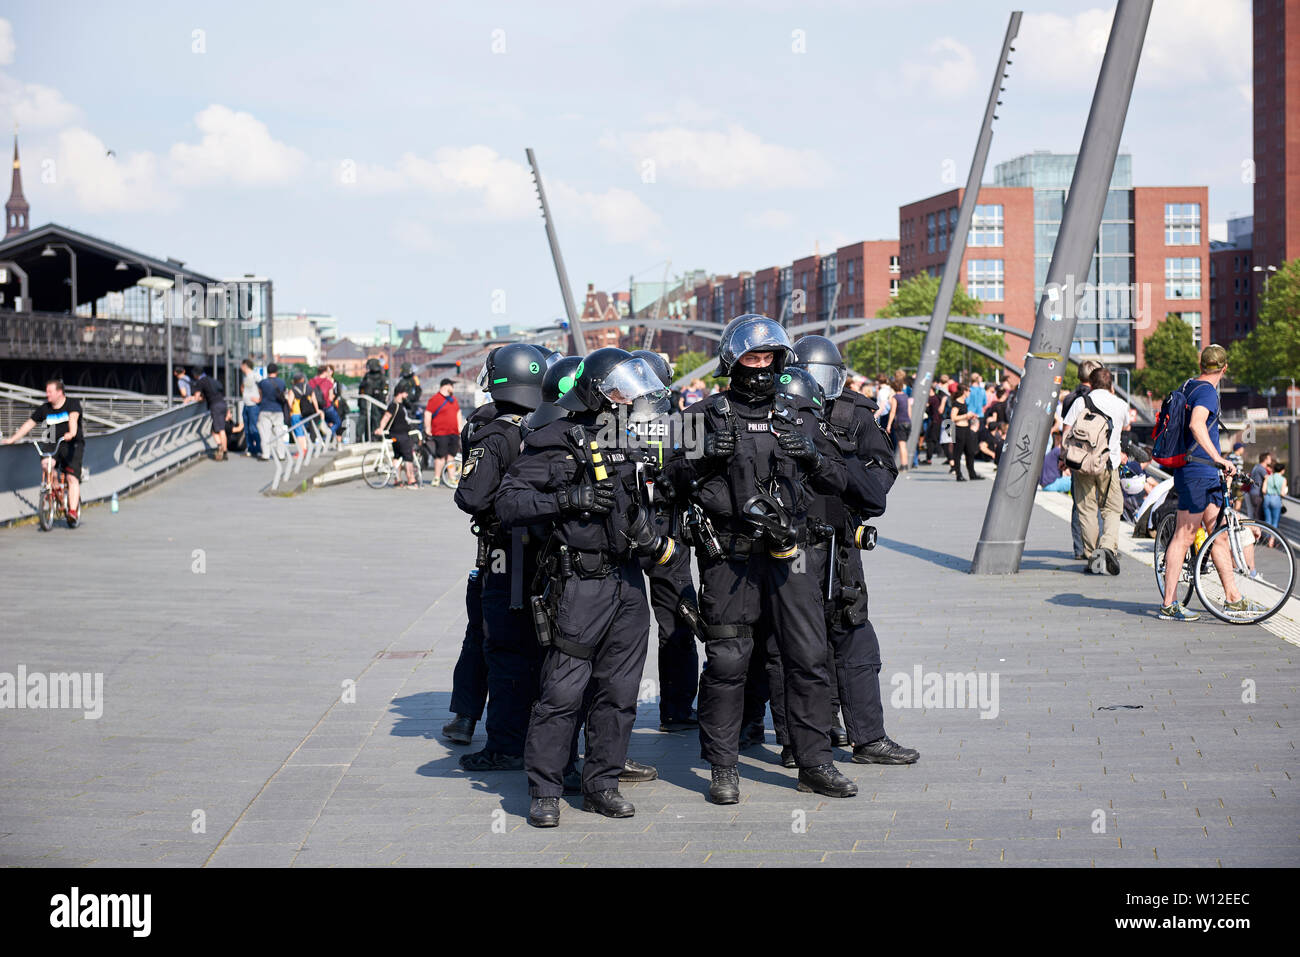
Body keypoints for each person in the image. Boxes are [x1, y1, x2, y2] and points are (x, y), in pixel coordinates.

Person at [667, 316, 855, 804]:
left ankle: (814, 762)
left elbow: (842, 481)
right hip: (729, 557)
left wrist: (812, 455)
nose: (761, 366)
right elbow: (666, 483)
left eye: (769, 357)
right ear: (733, 361)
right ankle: (723, 768)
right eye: (752, 356)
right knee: (728, 661)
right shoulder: (701, 415)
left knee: (809, 658)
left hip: (789, 555)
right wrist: (702, 456)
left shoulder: (798, 413)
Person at [496, 347, 665, 828]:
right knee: (563, 691)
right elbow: (508, 503)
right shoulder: (552, 438)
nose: (622, 399)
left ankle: (603, 785)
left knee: (620, 691)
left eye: (626, 392)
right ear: (592, 391)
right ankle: (546, 790)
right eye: (614, 390)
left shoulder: (629, 436)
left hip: (628, 581)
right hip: (579, 582)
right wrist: (568, 498)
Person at [790, 337, 919, 767]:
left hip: (841, 539)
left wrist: (859, 491)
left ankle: (867, 737)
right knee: (793, 644)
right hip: (791, 541)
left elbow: (882, 466)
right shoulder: (779, 408)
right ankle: (805, 738)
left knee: (854, 636)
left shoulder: (853, 412)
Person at [453, 344, 549, 772]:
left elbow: (471, 496)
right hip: (548, 554)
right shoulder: (550, 424)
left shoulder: (494, 431)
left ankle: (505, 744)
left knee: (503, 645)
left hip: (504, 555)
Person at [1160, 345, 1260, 620]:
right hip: (1198, 472)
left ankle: (1233, 598)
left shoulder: (1189, 385)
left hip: (1202, 472)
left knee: (1220, 534)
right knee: (1184, 535)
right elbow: (1196, 424)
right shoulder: (1206, 392)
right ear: (1225, 369)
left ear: (1201, 364)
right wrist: (1218, 458)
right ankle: (1169, 604)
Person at [630, 350, 701, 734]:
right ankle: (675, 710)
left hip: (626, 537)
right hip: (667, 534)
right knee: (676, 624)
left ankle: (606, 717)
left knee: (619, 631)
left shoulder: (610, 424)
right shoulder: (681, 426)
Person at [1063, 367, 1127, 575]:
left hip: (1082, 464)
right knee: (1112, 509)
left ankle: (1093, 558)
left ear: (1090, 383)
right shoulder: (1119, 404)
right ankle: (1108, 547)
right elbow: (1126, 426)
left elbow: (1066, 433)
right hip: (1109, 464)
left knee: (1087, 510)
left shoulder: (1081, 402)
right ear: (1111, 385)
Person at [2, 378, 85, 526]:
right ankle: (52, 488)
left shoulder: (72, 403)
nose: (47, 395)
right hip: (52, 443)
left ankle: (72, 511)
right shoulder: (45, 409)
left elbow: (73, 418)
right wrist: (12, 439)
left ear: (59, 392)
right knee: (46, 464)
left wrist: (72, 433)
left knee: (72, 477)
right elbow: (29, 424)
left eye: (50, 392)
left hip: (72, 444)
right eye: (46, 392)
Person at [377, 382, 418, 488]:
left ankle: (398, 480)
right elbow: (386, 417)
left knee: (397, 456)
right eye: (405, 393)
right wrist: (381, 428)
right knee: (408, 457)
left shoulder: (400, 405)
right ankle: (411, 480)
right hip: (400, 435)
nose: (407, 395)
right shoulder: (394, 405)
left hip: (397, 435)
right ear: (400, 393)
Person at [425, 378, 464, 488]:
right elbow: (428, 413)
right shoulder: (435, 399)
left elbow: (458, 413)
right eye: (452, 386)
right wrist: (428, 427)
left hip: (453, 432)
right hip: (440, 432)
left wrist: (459, 427)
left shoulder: (453, 399)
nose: (453, 389)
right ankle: (437, 477)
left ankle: (451, 478)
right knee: (440, 456)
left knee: (451, 456)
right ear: (446, 386)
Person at [184, 368, 229, 461]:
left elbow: (197, 397)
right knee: (214, 430)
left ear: (196, 375)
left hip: (215, 406)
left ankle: (223, 451)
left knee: (220, 430)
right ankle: (221, 447)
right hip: (223, 404)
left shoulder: (201, 381)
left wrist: (189, 398)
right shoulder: (212, 380)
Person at [255, 363, 289, 461]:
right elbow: (284, 394)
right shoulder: (282, 382)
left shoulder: (262, 383)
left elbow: (260, 397)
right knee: (279, 433)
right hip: (278, 410)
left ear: (268, 371)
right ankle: (281, 455)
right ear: (276, 371)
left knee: (265, 434)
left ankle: (265, 454)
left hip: (264, 409)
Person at [949, 383, 981, 481]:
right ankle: (959, 474)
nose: (970, 393)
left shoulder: (964, 402)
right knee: (958, 453)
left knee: (970, 452)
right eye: (968, 390)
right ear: (964, 391)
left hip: (966, 429)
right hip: (959, 430)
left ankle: (972, 473)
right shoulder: (957, 403)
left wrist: (971, 416)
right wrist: (966, 416)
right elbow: (953, 418)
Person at [883, 371, 911, 474]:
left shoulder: (895, 398)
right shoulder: (905, 396)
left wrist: (889, 424)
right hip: (907, 421)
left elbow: (893, 411)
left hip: (900, 422)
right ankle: (905, 463)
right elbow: (909, 411)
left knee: (901, 445)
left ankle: (904, 465)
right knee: (904, 444)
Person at [358, 358, 388, 442]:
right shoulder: (367, 377)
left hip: (377, 402)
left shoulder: (382, 378)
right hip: (367, 402)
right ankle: (360, 436)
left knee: (376, 418)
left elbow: (385, 390)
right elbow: (361, 390)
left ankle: (376, 435)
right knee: (364, 418)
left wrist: (381, 395)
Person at [240, 359, 263, 458]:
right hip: (246, 404)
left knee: (253, 427)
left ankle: (258, 448)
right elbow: (243, 387)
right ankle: (250, 449)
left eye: (242, 365)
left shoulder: (255, 375)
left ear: (245, 365)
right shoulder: (245, 377)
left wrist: (260, 399)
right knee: (247, 428)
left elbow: (262, 386)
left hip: (253, 406)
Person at [1262, 464, 1287, 544]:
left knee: (1268, 520)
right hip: (1276, 499)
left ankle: (1267, 537)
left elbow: (1263, 490)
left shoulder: (1268, 477)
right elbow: (1282, 493)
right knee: (1275, 521)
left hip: (1267, 498)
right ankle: (1271, 540)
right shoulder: (1283, 479)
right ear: (1282, 470)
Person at [1247, 452, 1272, 521]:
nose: (1271, 460)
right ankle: (1257, 530)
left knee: (1256, 513)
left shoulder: (1256, 466)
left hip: (1253, 492)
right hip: (1257, 494)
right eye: (1269, 458)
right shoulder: (1261, 468)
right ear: (1265, 459)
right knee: (1258, 514)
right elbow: (1268, 478)